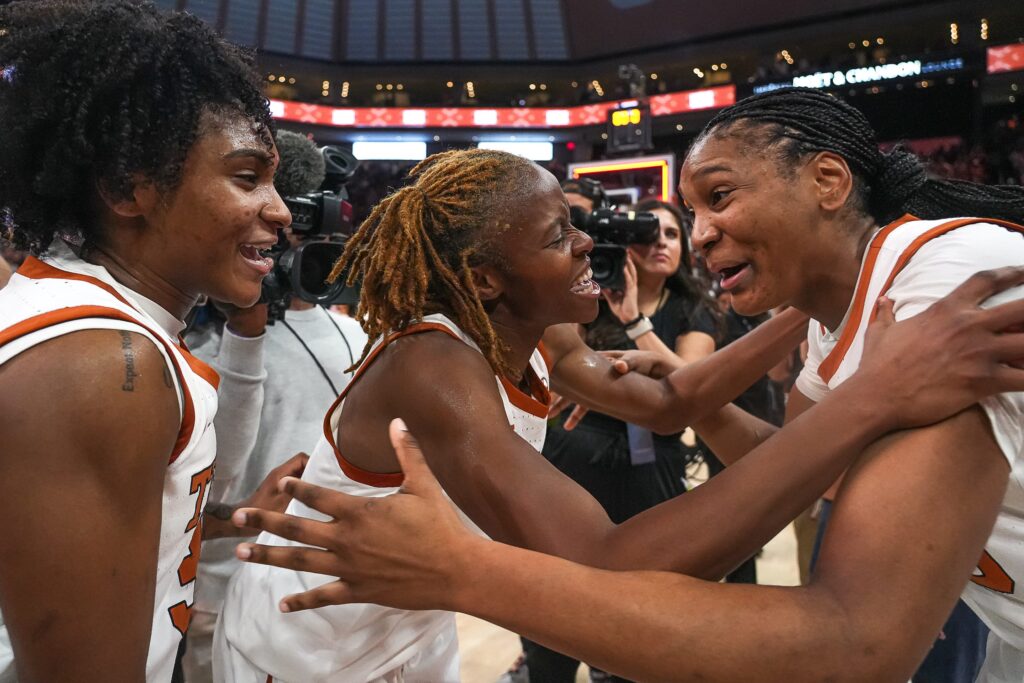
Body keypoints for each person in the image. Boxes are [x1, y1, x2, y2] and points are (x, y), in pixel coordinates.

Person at [231, 89, 1024, 682]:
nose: (590, 243)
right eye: (557, 235)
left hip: (406, 631)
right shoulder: (432, 365)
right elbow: (606, 557)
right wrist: (872, 393)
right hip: (313, 649)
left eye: (719, 197)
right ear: (487, 279)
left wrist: (814, 300)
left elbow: (678, 403)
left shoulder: (546, 345)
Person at [0, 2, 305, 680]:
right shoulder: (105, 362)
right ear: (128, 187)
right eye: (247, 177)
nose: (281, 211)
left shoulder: (105, 327)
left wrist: (225, 517)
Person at [179, 131, 368, 682]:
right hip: (226, 587)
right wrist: (245, 333)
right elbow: (211, 487)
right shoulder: (197, 346)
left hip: (333, 591)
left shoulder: (352, 331)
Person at [518, 198, 719, 683]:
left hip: (653, 471)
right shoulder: (585, 295)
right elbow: (554, 362)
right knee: (553, 618)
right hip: (571, 458)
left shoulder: (694, 309)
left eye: (672, 234)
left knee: (641, 621)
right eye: (650, 235)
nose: (661, 244)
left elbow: (691, 387)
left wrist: (635, 325)